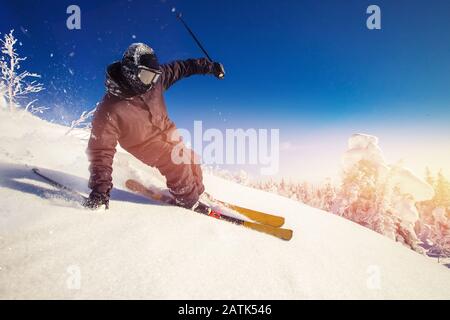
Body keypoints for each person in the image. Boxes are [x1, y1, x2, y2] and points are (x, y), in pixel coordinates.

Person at [84, 43, 225, 210]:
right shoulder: (110, 108)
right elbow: (101, 152)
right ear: (131, 72)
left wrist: (209, 67)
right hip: (144, 144)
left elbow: (182, 68)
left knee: (191, 159)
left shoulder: (154, 82)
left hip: (169, 133)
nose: (150, 83)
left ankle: (197, 192)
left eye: (154, 76)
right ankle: (189, 201)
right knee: (176, 163)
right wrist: (100, 192)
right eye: (146, 76)